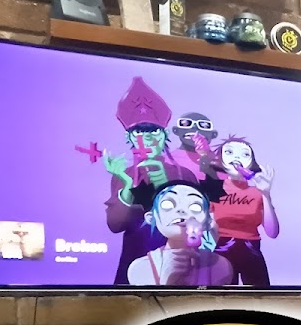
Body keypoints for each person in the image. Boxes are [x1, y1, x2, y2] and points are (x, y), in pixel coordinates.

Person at [100, 78, 201, 285]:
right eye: (139, 131)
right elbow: (115, 224)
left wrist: (165, 186)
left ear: (164, 135)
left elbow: (199, 223)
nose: (147, 138)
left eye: (153, 130)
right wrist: (127, 185)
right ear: (129, 137)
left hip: (178, 260)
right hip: (134, 258)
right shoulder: (124, 174)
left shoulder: (184, 174)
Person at [126, 180, 233, 287]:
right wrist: (166, 281)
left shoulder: (221, 266)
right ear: (151, 217)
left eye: (195, 206)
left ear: (208, 221)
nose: (181, 210)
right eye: (168, 204)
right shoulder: (140, 267)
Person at [208, 136, 278, 286]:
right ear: (220, 159)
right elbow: (208, 228)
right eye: (229, 152)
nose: (237, 158)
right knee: (221, 296)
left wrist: (266, 194)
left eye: (245, 154)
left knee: (259, 295)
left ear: (252, 162)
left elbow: (272, 232)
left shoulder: (258, 192)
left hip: (251, 249)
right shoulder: (213, 188)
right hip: (221, 250)